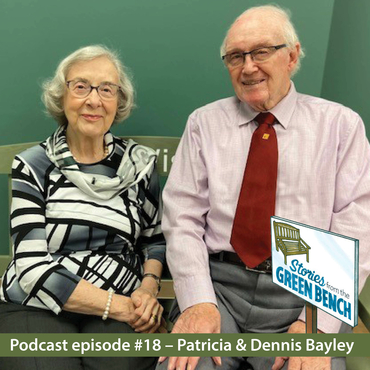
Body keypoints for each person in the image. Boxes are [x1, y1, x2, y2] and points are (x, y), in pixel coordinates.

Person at [158, 5, 370, 370]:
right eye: (236, 56)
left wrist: (314, 326)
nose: (248, 66)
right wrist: (197, 303)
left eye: (261, 52)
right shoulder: (203, 123)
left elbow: (357, 231)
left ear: (292, 55)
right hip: (218, 287)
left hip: (306, 291)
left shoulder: (341, 126)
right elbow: (182, 219)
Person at [0, 45, 165, 370]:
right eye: (81, 87)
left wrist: (148, 290)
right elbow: (31, 267)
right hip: (37, 303)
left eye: (106, 89)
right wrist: (117, 307)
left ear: (118, 101)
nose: (94, 100)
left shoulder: (141, 164)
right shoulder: (33, 165)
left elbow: (155, 240)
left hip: (125, 298)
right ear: (62, 97)